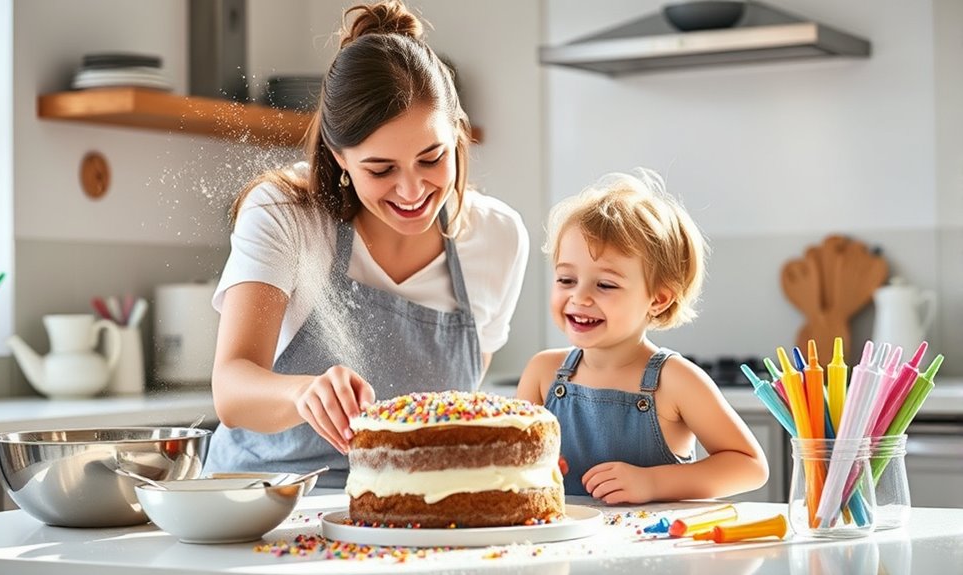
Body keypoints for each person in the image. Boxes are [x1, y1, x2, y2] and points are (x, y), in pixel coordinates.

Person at [204, 0, 529, 488]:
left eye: (432, 158)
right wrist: (303, 395)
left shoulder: (498, 238)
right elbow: (232, 389)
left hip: (406, 508)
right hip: (267, 501)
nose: (413, 190)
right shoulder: (284, 213)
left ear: (457, 135)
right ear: (340, 158)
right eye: (381, 169)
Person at [517, 170, 768, 504]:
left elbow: (749, 466)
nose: (579, 297)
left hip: (658, 551)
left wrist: (652, 483)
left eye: (605, 284)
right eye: (566, 279)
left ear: (658, 298)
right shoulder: (542, 372)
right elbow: (514, 461)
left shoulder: (676, 380)